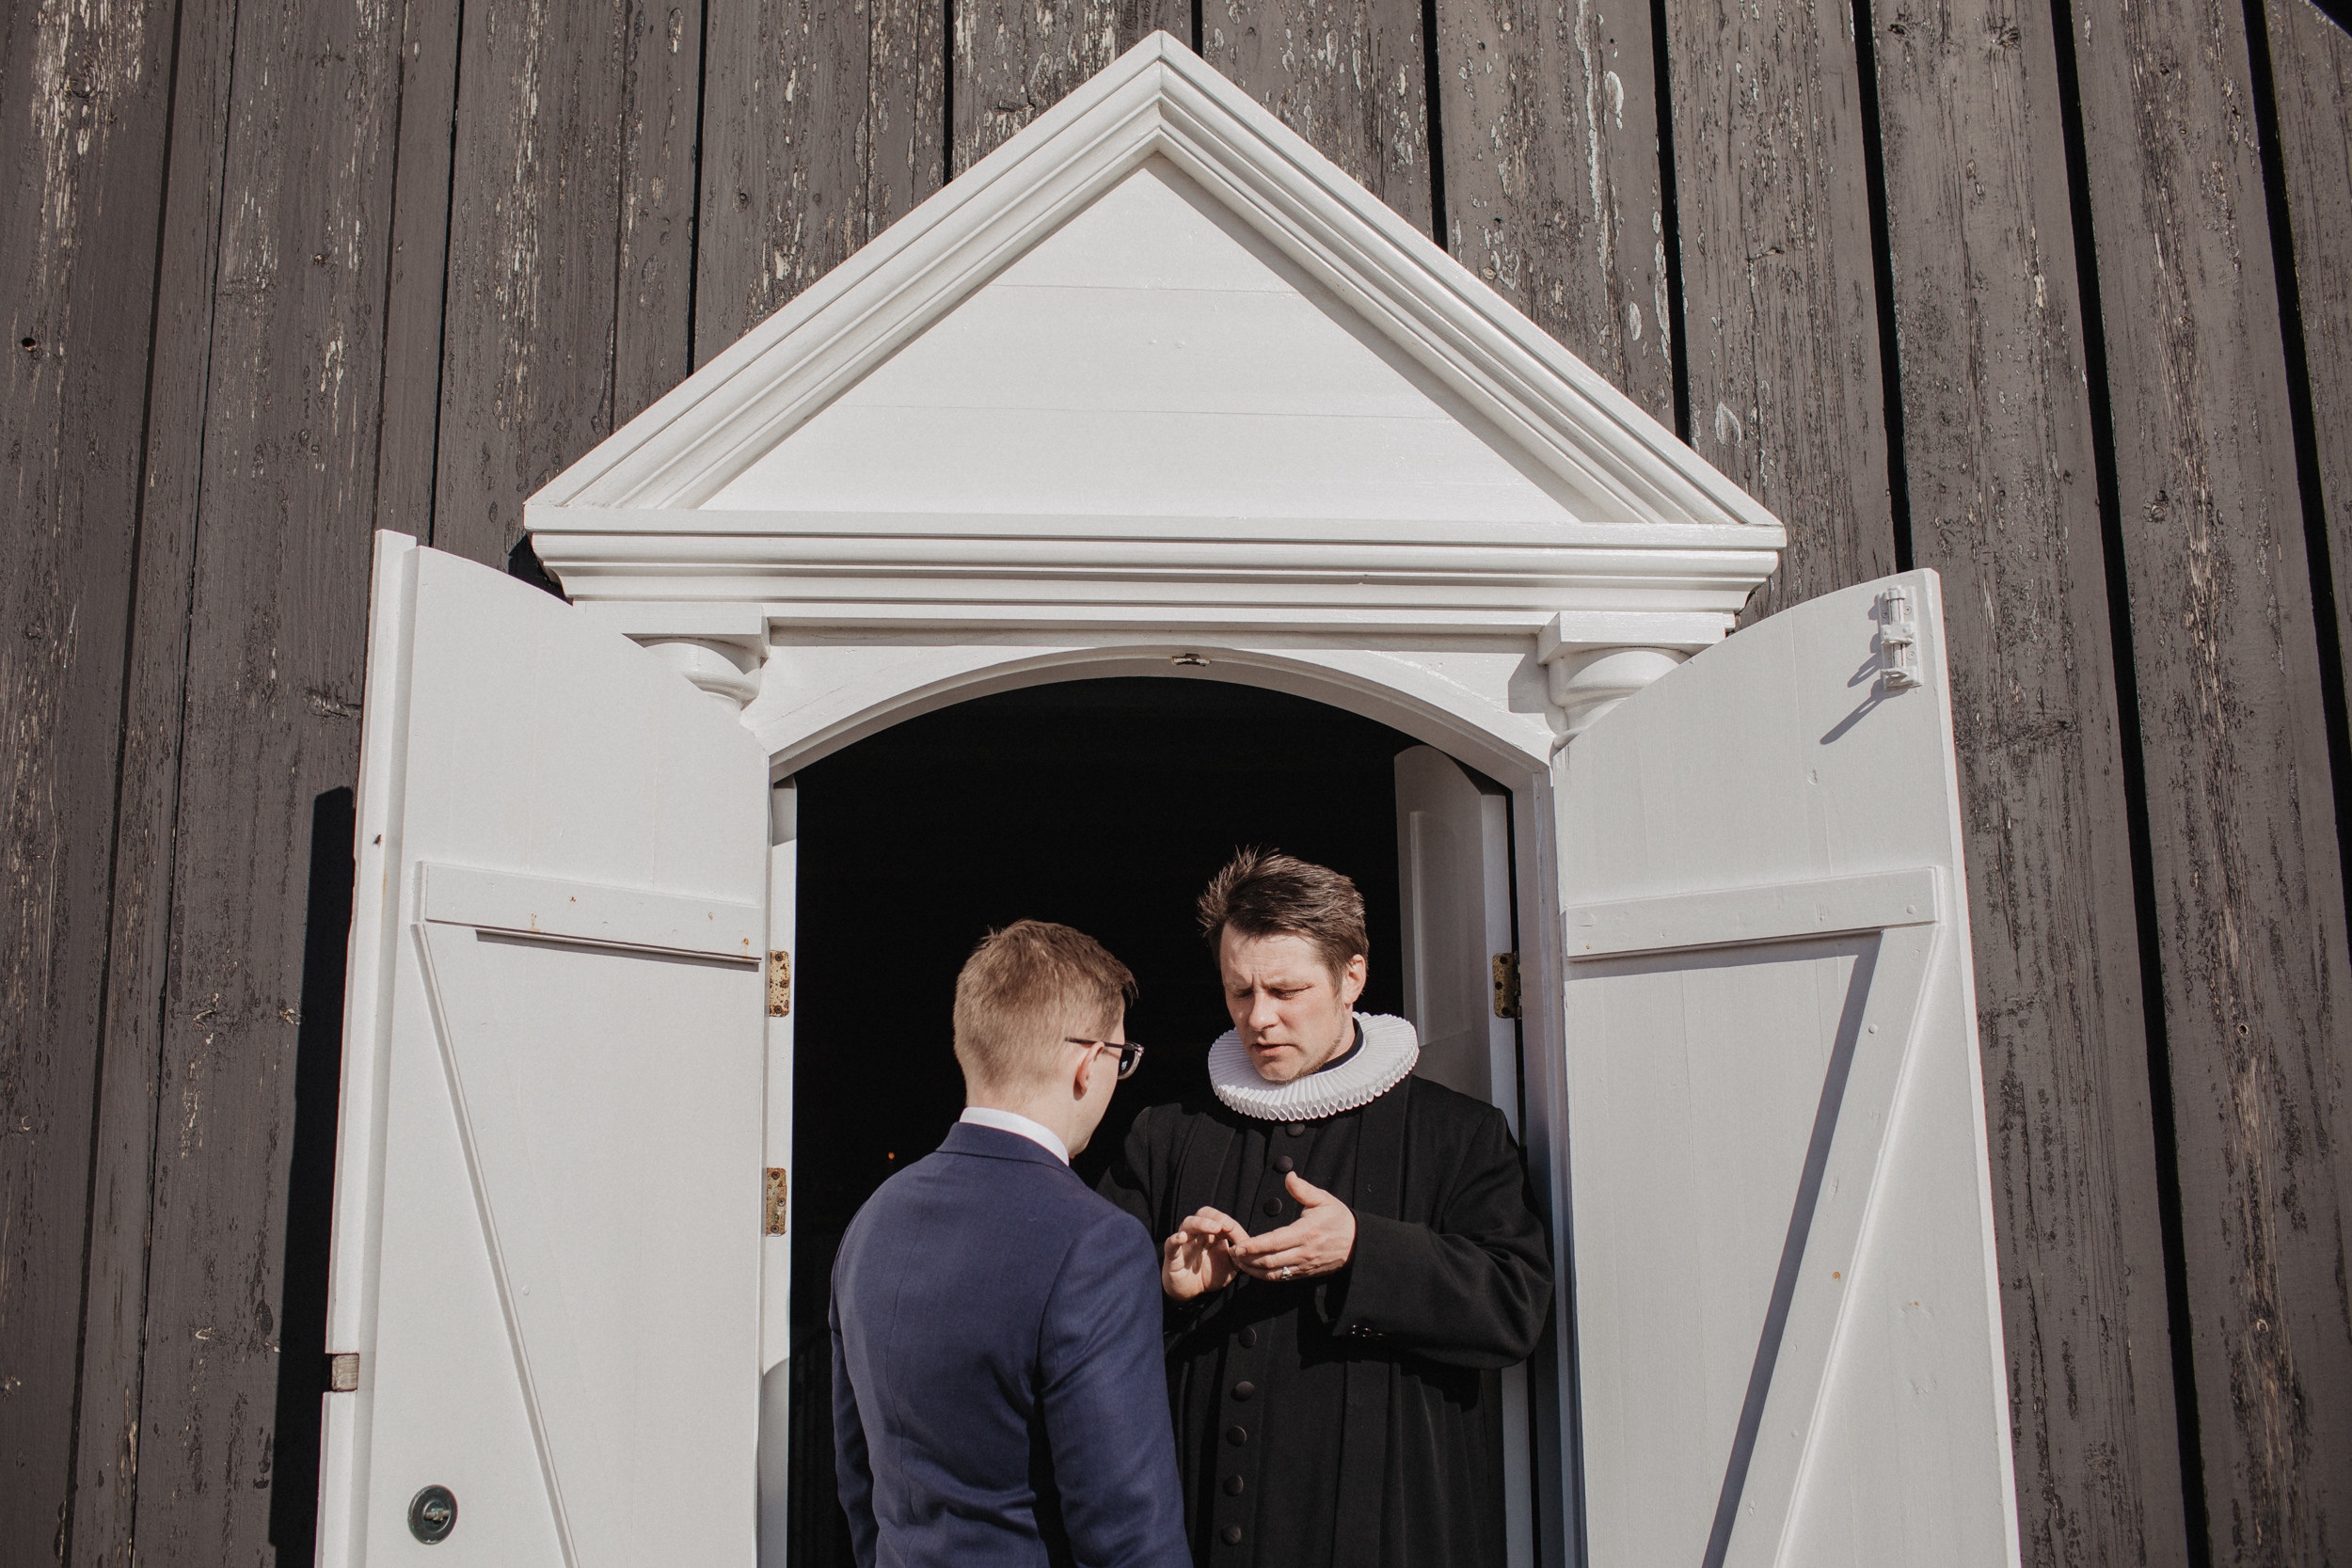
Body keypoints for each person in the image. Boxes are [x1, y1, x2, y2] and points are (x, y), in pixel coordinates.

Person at [1100, 850, 1552, 1567]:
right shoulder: (1168, 1133)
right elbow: (1081, 1322)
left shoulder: (1457, 1133)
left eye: (1286, 989)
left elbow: (1516, 1303)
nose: (1259, 1018)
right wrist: (1165, 1287)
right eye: (1239, 991)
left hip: (1389, 1539)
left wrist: (1362, 1250)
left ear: (1352, 977)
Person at [831, 919, 1191, 1568]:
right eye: (1121, 1056)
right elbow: (1129, 1533)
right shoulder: (1097, 1244)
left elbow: (860, 1487)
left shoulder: (871, 1221)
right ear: (1088, 1062)